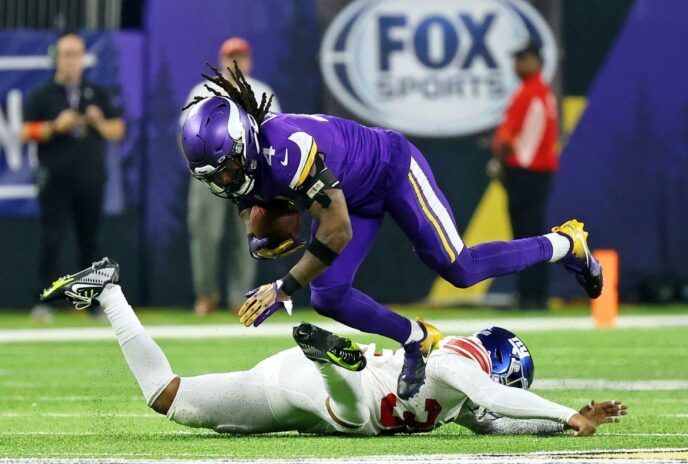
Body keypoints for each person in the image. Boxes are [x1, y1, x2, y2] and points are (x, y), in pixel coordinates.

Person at [179, 63, 603, 400]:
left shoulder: (287, 150)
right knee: (329, 296)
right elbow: (256, 208)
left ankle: (567, 243)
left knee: (459, 267)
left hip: (392, 169)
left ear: (245, 143)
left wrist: (283, 288)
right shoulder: (242, 168)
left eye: (229, 168)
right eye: (215, 177)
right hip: (352, 194)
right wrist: (264, 236)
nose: (226, 182)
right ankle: (416, 339)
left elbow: (337, 230)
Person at [40, 258, 627, 437]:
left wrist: (562, 427)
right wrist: (567, 412)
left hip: (286, 382)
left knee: (165, 397)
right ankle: (333, 360)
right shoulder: (458, 360)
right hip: (335, 392)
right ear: (500, 359)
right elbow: (489, 392)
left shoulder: (459, 389)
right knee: (356, 417)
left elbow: (496, 424)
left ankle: (111, 289)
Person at [22, 33, 125, 322]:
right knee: (52, 239)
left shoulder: (96, 93)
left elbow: (118, 131)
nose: (71, 61)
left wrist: (98, 122)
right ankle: (43, 303)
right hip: (55, 179)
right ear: (58, 58)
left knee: (90, 242)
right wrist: (55, 126)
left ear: (83, 58)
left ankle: (92, 305)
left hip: (90, 179)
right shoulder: (43, 95)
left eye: (76, 54)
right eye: (66, 54)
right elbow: (24, 132)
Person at [180, 37, 281, 316]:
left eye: (241, 56)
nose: (235, 62)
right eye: (230, 56)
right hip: (210, 177)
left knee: (248, 237)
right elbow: (186, 135)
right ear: (221, 60)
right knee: (205, 235)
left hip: (249, 177)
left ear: (249, 61)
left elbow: (275, 136)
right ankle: (206, 294)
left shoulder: (261, 92)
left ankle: (240, 297)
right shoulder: (203, 91)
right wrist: (197, 171)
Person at [489, 40, 560, 309]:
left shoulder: (528, 93)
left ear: (535, 62)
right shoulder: (545, 93)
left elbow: (508, 136)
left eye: (522, 59)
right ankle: (536, 295)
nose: (517, 65)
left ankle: (529, 296)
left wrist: (498, 162)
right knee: (535, 233)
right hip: (540, 173)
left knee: (524, 235)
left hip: (524, 172)